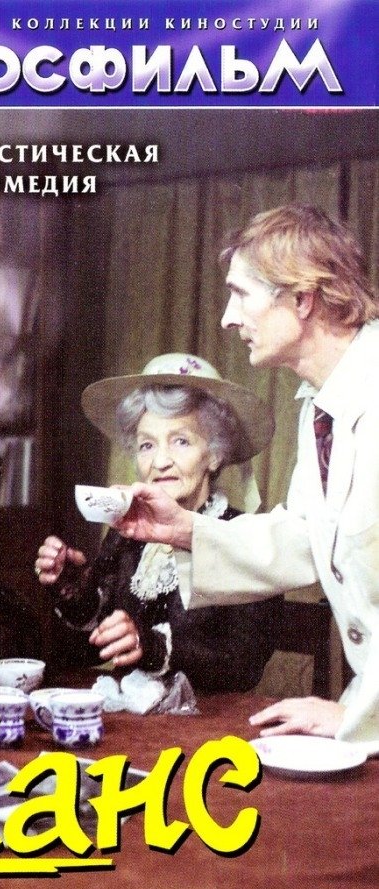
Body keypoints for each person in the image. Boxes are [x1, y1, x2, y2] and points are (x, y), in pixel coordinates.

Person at [117, 204, 379, 743]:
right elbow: (305, 538)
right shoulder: (323, 406)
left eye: (241, 294)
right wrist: (185, 530)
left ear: (301, 298)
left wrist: (358, 716)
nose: (227, 319)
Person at [35, 353, 281, 692]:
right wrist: (72, 584)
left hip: (211, 719)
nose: (160, 461)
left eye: (181, 441)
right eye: (147, 445)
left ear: (215, 454)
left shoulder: (245, 537)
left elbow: (244, 664)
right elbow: (90, 646)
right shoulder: (129, 532)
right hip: (132, 713)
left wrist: (150, 647)